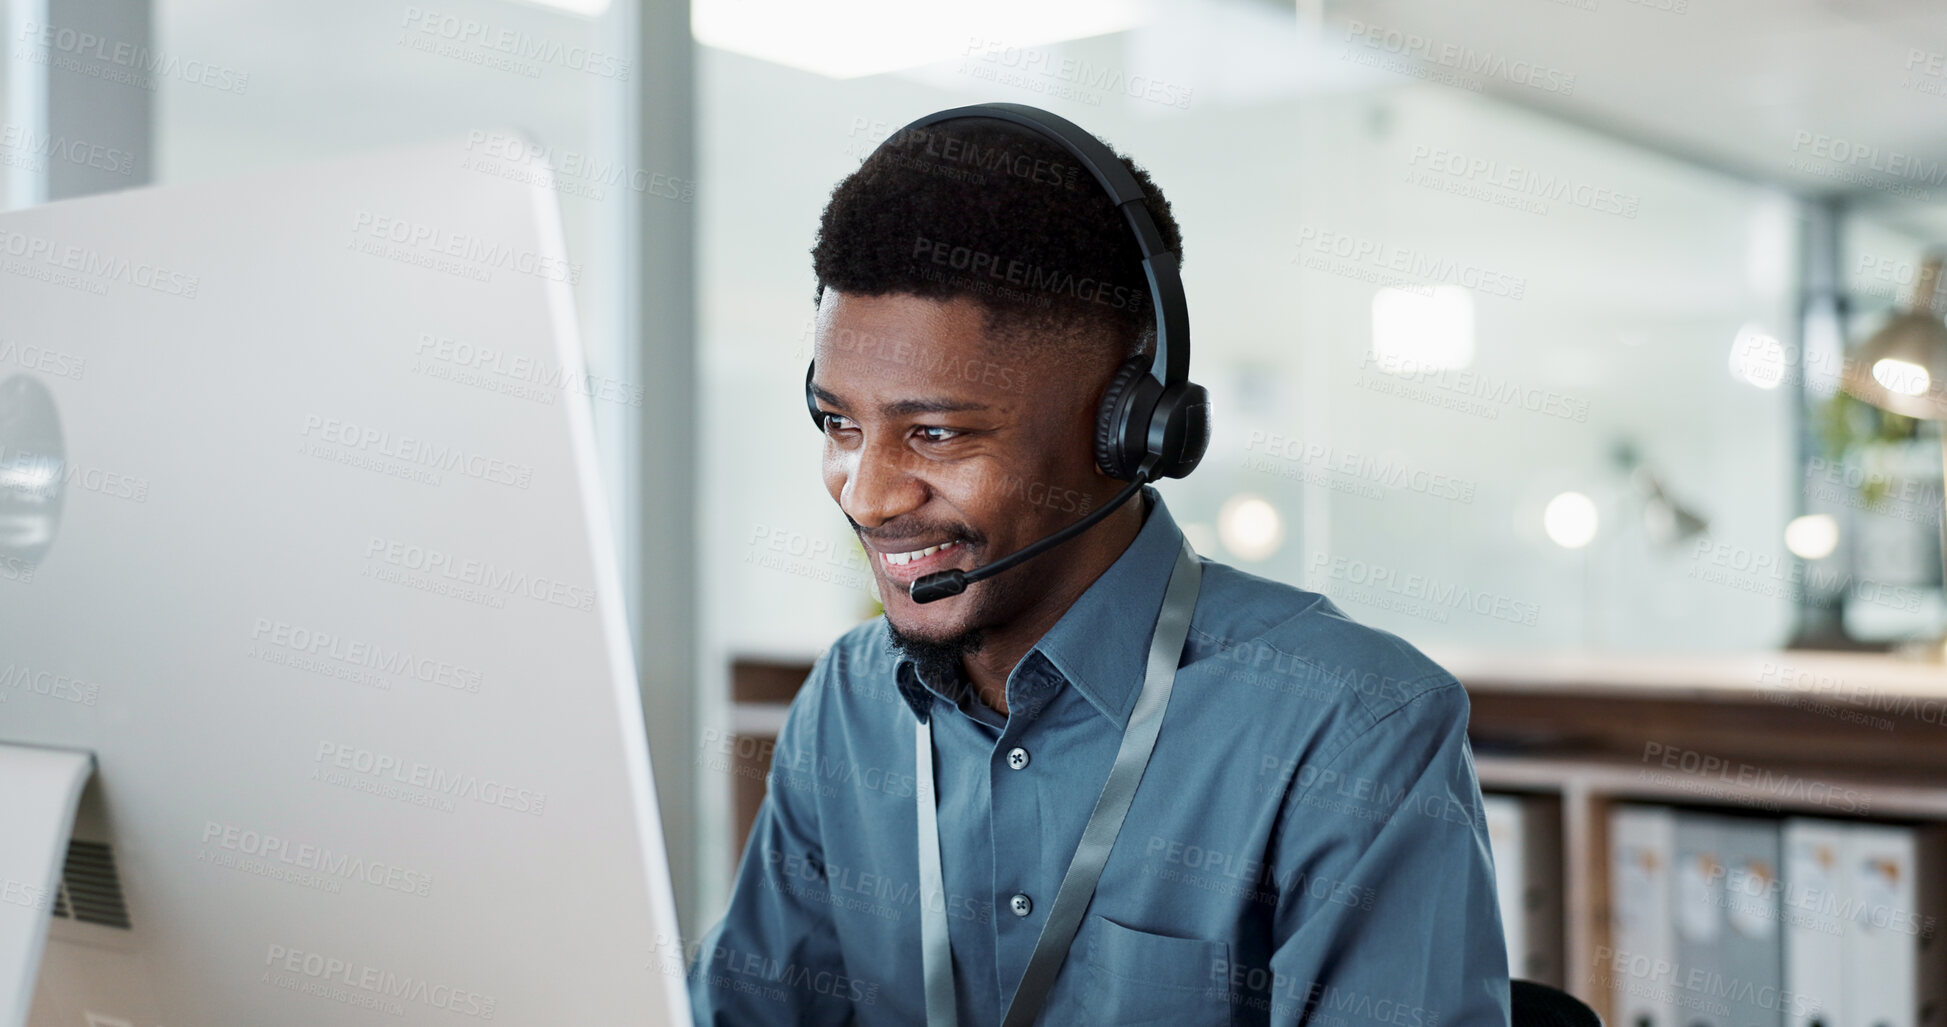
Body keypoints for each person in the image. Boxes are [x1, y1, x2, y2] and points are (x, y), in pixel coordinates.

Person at [689, 111, 1509, 1026]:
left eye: (936, 432)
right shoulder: (848, 704)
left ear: (1126, 428)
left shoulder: (1348, 730)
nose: (868, 495)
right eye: (839, 424)